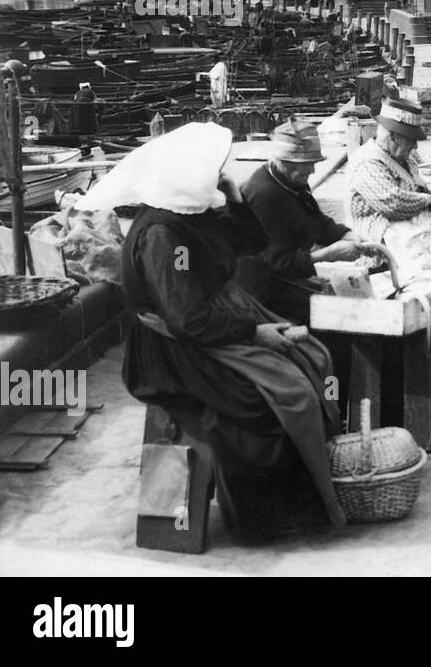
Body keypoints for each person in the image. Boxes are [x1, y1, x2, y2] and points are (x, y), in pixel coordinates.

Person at [91, 123, 346, 542]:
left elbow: (251, 241)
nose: (214, 177)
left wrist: (234, 194)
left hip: (208, 328)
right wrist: (256, 333)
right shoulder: (162, 236)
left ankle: (303, 500)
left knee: (311, 358)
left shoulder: (193, 215)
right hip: (169, 352)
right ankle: (261, 520)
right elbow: (187, 321)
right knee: (264, 399)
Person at [245, 120, 372, 323]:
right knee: (345, 314)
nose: (312, 171)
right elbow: (279, 264)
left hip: (294, 277)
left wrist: (348, 235)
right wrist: (328, 255)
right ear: (284, 162)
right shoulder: (265, 196)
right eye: (306, 165)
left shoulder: (292, 182)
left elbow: (319, 223)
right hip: (268, 289)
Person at [346, 98, 431, 275]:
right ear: (392, 136)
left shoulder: (405, 157)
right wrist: (430, 200)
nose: (415, 145)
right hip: (381, 245)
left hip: (415, 234)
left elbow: (419, 186)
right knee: (428, 270)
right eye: (411, 139)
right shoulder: (367, 162)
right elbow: (393, 203)